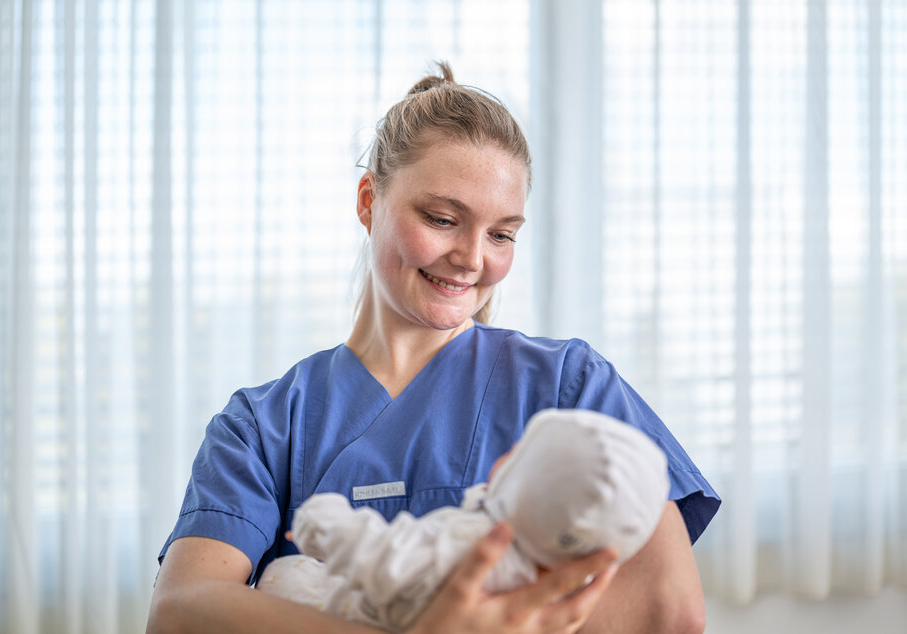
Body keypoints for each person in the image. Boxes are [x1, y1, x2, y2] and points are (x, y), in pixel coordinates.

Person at [148, 61, 721, 634]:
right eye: (443, 219)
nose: (473, 258)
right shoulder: (264, 425)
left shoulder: (569, 386)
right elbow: (181, 610)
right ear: (369, 200)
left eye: (501, 234)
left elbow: (667, 610)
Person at [257, 409, 671, 632]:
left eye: (523, 450)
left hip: (357, 613)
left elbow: (382, 555)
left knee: (282, 574)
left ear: (520, 484)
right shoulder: (559, 573)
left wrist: (320, 520)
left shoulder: (474, 548)